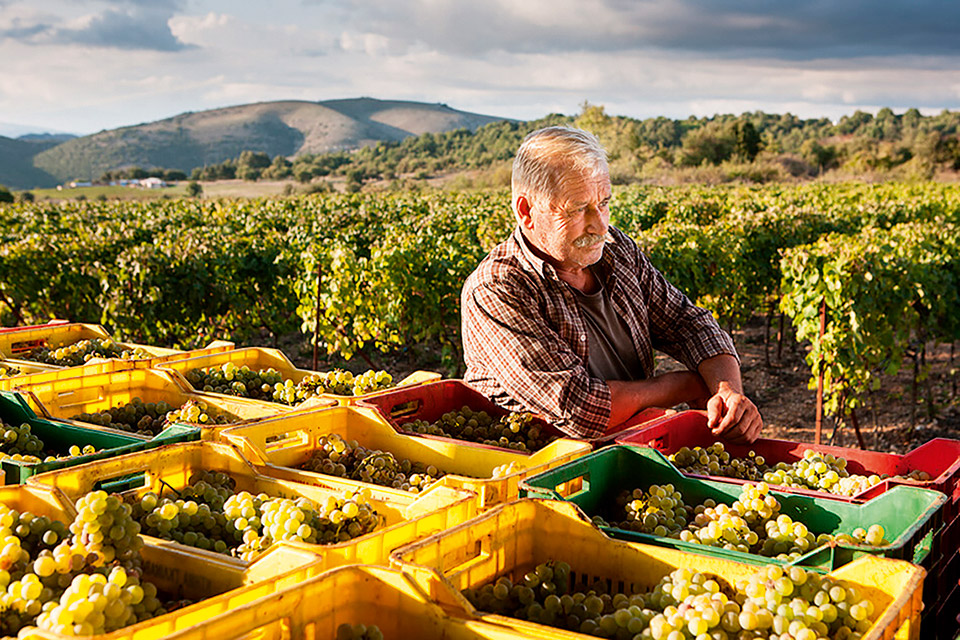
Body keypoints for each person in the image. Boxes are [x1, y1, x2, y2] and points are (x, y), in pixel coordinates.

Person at [460, 126, 762, 442]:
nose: (600, 224)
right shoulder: (497, 289)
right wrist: (685, 385)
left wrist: (726, 390)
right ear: (526, 211)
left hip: (628, 449)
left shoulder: (616, 251)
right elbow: (579, 408)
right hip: (536, 467)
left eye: (604, 203)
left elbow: (687, 323)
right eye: (578, 209)